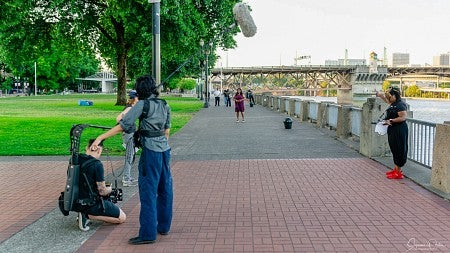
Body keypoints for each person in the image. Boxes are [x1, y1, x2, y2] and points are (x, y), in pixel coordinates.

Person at [91, 75, 172, 245]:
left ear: (140, 89)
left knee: (148, 192)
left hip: (151, 153)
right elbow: (167, 130)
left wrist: (100, 137)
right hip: (165, 151)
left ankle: (148, 234)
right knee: (165, 189)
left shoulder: (142, 104)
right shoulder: (164, 104)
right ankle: (163, 227)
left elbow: (124, 124)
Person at [75, 139, 126, 231]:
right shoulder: (97, 165)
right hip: (91, 202)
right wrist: (110, 189)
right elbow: (102, 191)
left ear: (87, 147)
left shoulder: (76, 159)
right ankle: (86, 215)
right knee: (122, 218)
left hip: (76, 200)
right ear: (99, 149)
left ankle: (84, 213)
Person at [376, 87, 408, 179]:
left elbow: (403, 117)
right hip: (393, 129)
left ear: (395, 96)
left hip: (399, 130)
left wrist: (391, 120)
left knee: (399, 149)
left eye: (390, 97)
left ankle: (398, 172)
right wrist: (379, 95)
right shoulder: (393, 103)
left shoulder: (400, 105)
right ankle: (396, 169)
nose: (389, 99)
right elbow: (386, 100)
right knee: (394, 148)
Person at [116, 90, 139, 186]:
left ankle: (128, 176)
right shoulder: (130, 108)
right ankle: (126, 179)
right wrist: (125, 125)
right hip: (129, 135)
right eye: (138, 98)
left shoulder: (132, 107)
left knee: (131, 156)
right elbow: (118, 118)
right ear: (135, 99)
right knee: (129, 157)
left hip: (131, 134)